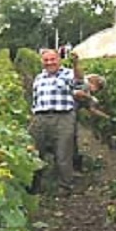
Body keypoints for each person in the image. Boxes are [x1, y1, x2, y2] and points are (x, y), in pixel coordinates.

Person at [30, 49, 83, 195]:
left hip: (63, 117)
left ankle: (65, 186)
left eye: (52, 59)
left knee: (63, 153)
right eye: (46, 60)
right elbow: (35, 99)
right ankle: (34, 186)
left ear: (59, 60)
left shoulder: (68, 74)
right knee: (35, 153)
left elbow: (79, 81)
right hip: (40, 117)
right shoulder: (39, 77)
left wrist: (76, 64)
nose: (49, 63)